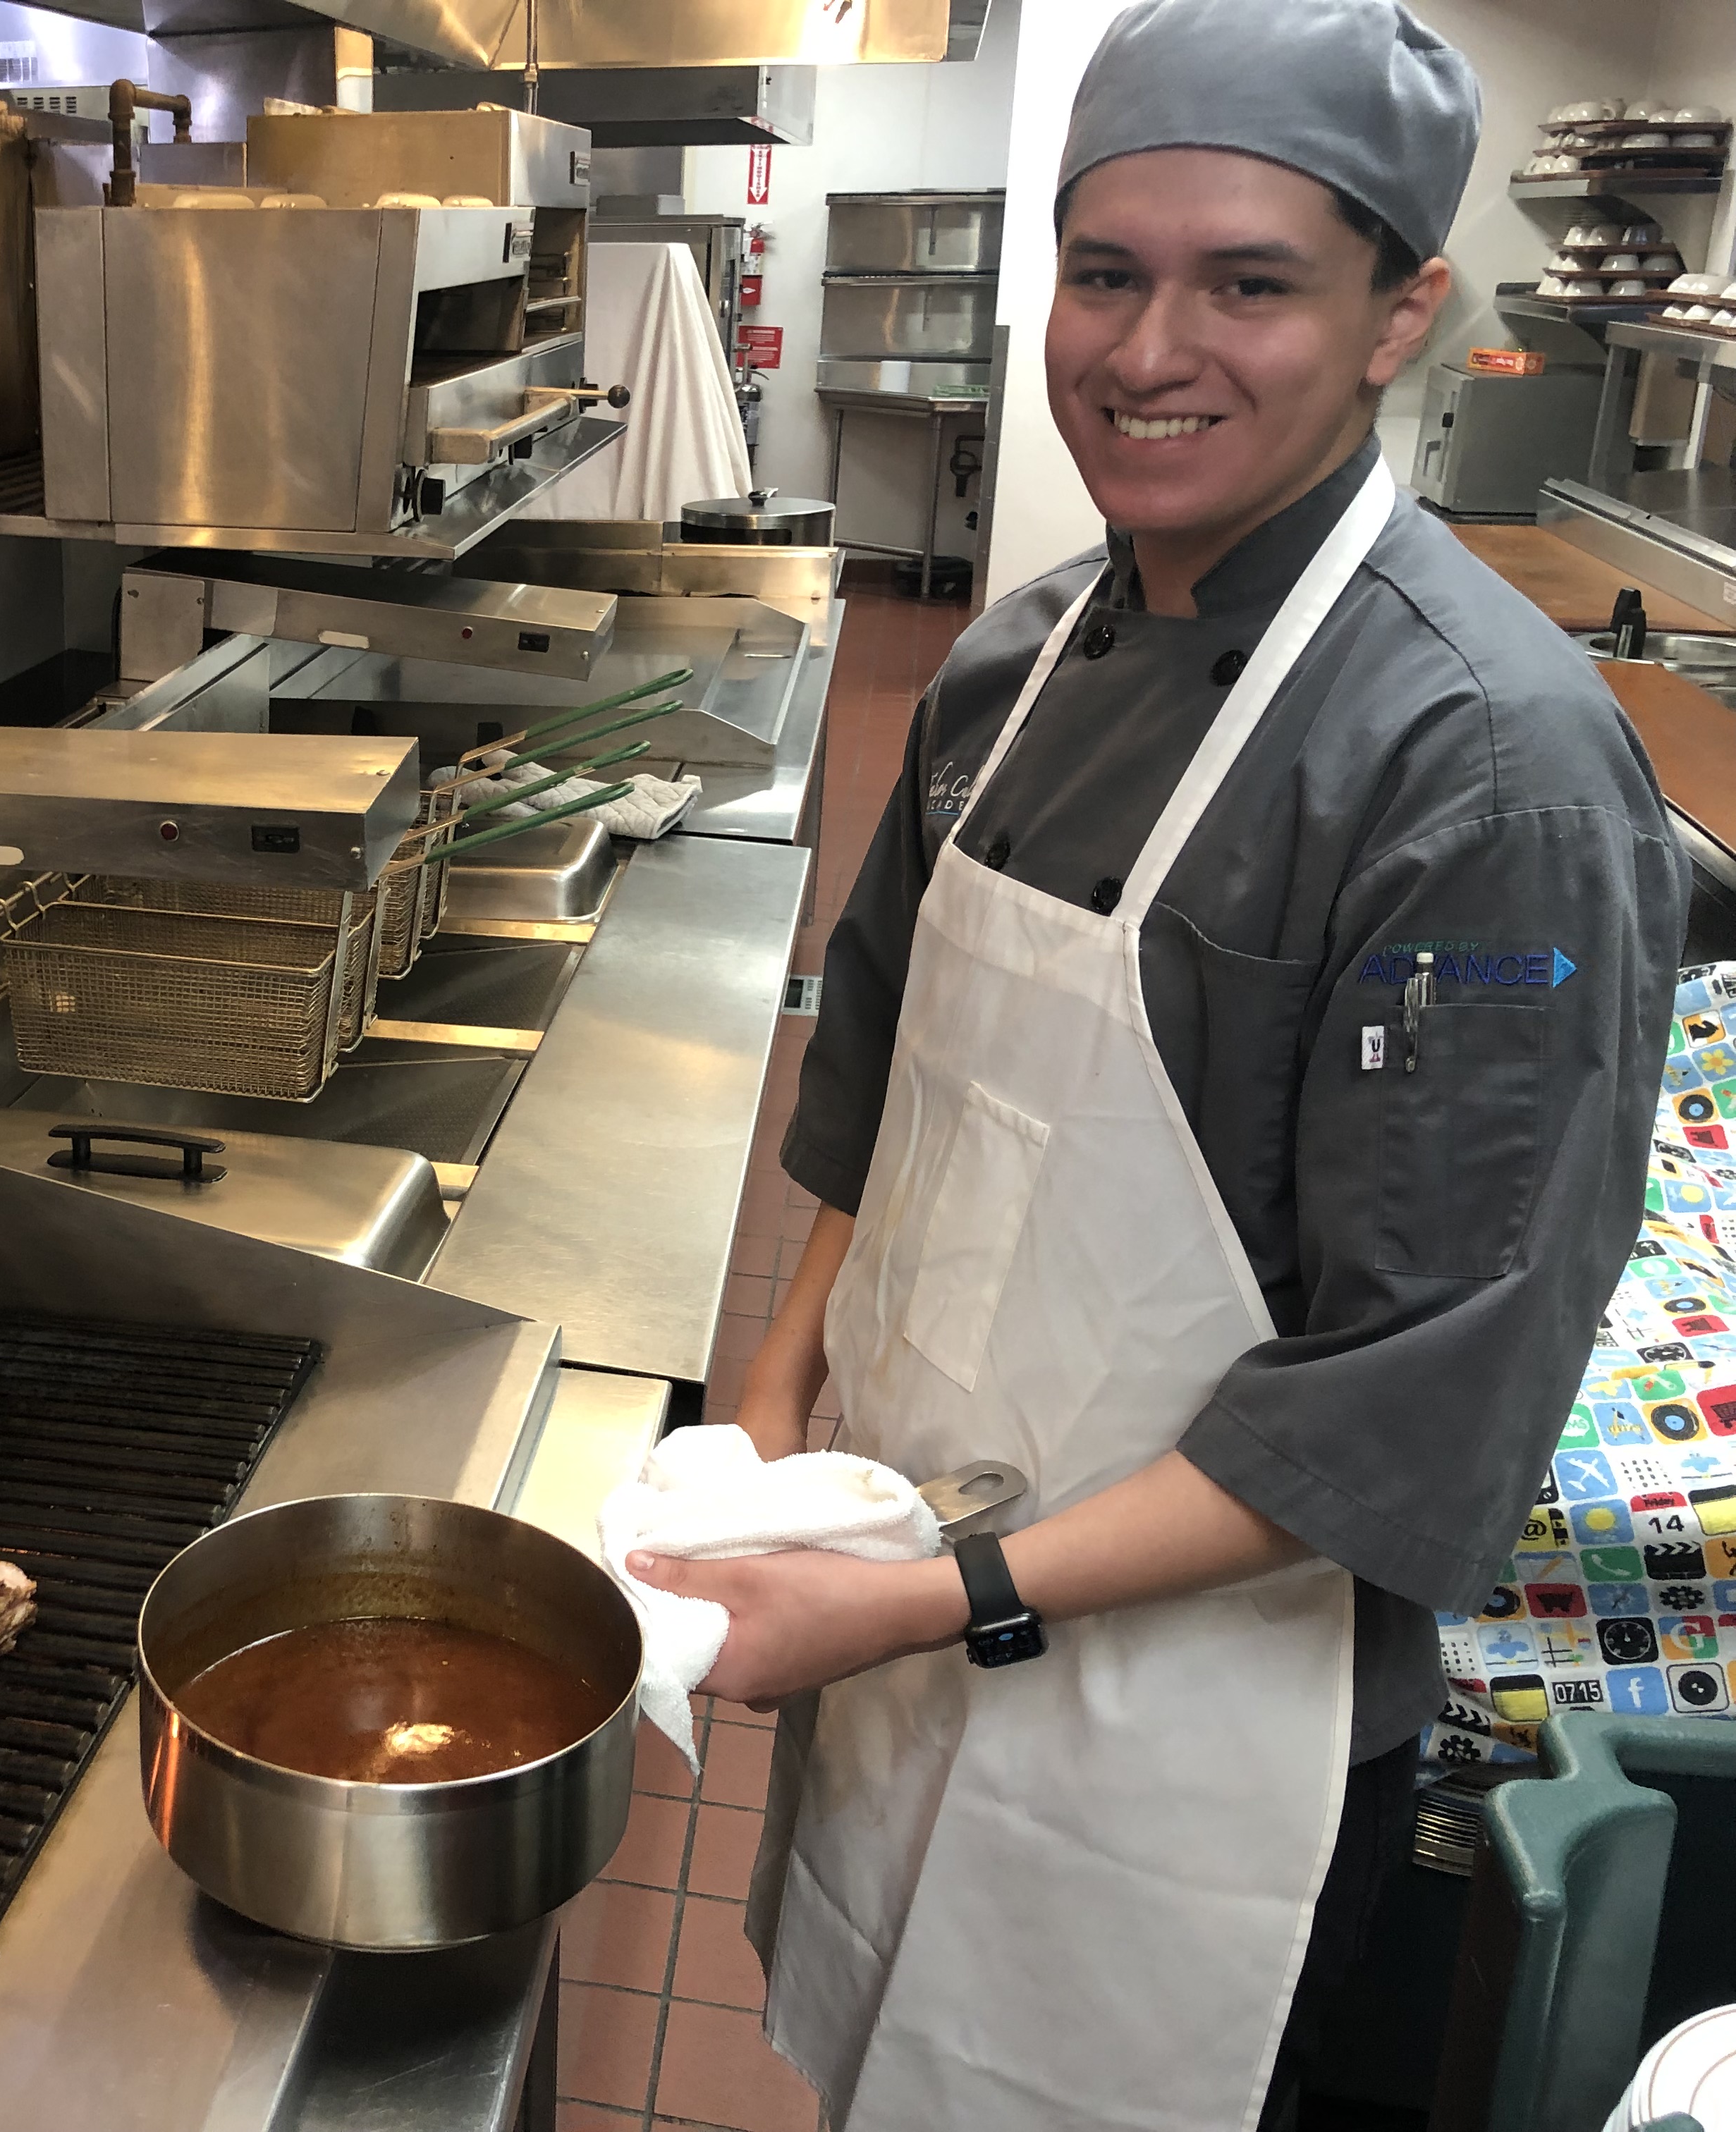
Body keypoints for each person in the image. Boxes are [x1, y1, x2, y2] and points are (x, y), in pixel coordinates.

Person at [627, 4, 1687, 2127]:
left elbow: (1428, 1391)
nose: (1145, 350)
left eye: (1252, 283)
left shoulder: (1484, 773)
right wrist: (767, 1423)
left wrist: (940, 1602)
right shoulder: (1016, 666)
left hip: (1207, 1717)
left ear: (1405, 314)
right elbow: (893, 1078)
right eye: (1106, 274)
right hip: (914, 1602)